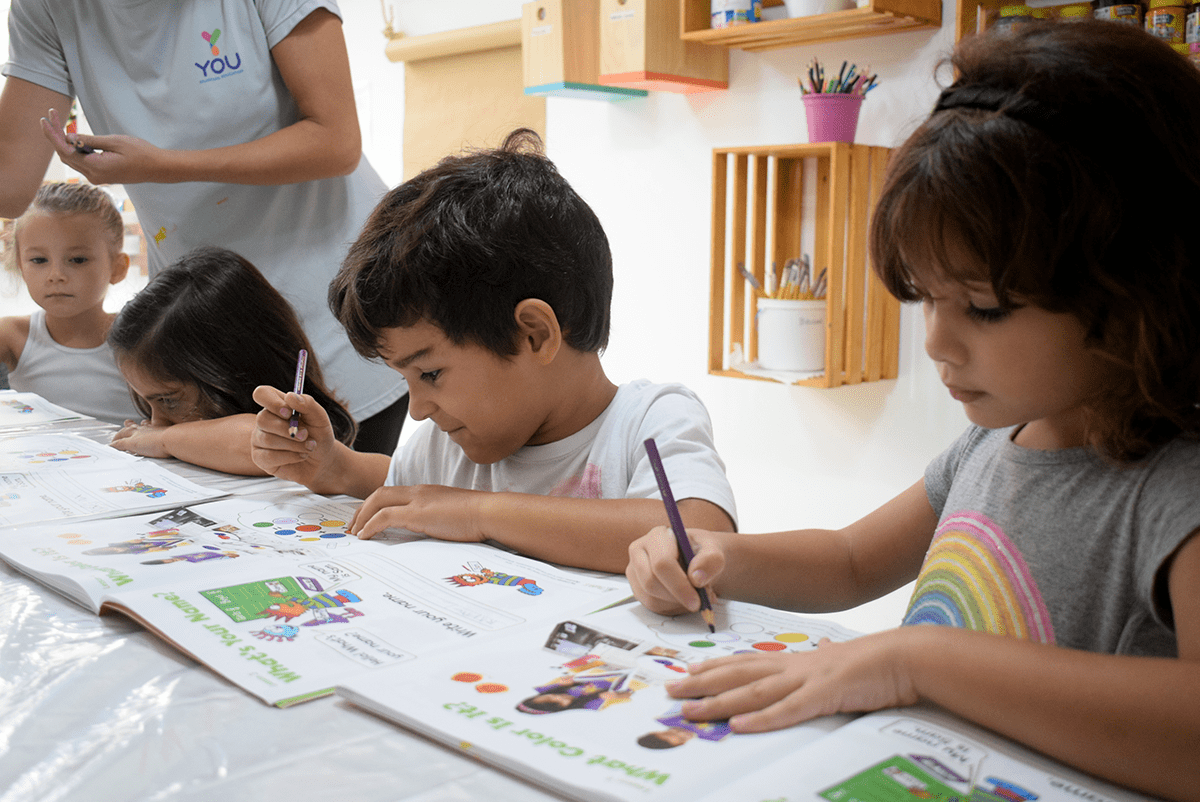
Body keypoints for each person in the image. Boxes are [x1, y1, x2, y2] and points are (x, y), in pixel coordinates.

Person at [624, 22, 1200, 802]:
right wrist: (719, 557)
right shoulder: (995, 443)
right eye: (927, 297)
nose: (937, 342)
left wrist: (913, 660)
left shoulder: (1174, 491)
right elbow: (852, 560)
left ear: (1141, 292)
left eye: (985, 307)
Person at [251, 130, 737, 573]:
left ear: (535, 336)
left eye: (431, 374)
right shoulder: (448, 444)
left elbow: (701, 536)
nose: (417, 410)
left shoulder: (651, 422)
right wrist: (334, 465)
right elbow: (409, 492)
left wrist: (479, 511)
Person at [0, 1, 407, 454]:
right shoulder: (46, 8)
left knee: (324, 490)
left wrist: (165, 166)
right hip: (202, 334)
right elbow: (10, 181)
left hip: (331, 304)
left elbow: (336, 141)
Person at [108, 246, 355, 476]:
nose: (156, 422)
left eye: (167, 400)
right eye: (146, 400)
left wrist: (162, 439)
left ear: (232, 371)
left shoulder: (293, 433)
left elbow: (257, 441)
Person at [0, 181, 138, 425]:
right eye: (39, 260)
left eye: (77, 259)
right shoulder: (13, 335)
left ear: (117, 268)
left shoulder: (143, 338)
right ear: (21, 267)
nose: (56, 275)